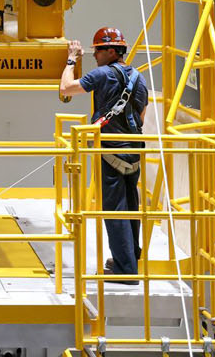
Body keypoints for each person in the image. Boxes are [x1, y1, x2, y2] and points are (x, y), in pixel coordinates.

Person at [60, 26, 149, 284]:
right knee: (131, 206)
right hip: (133, 150)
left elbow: (66, 88)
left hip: (110, 150)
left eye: (98, 50)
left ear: (112, 51)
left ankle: (125, 270)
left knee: (115, 209)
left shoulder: (102, 75)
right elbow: (142, 115)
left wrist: (71, 59)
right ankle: (130, 258)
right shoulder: (139, 78)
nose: (95, 55)